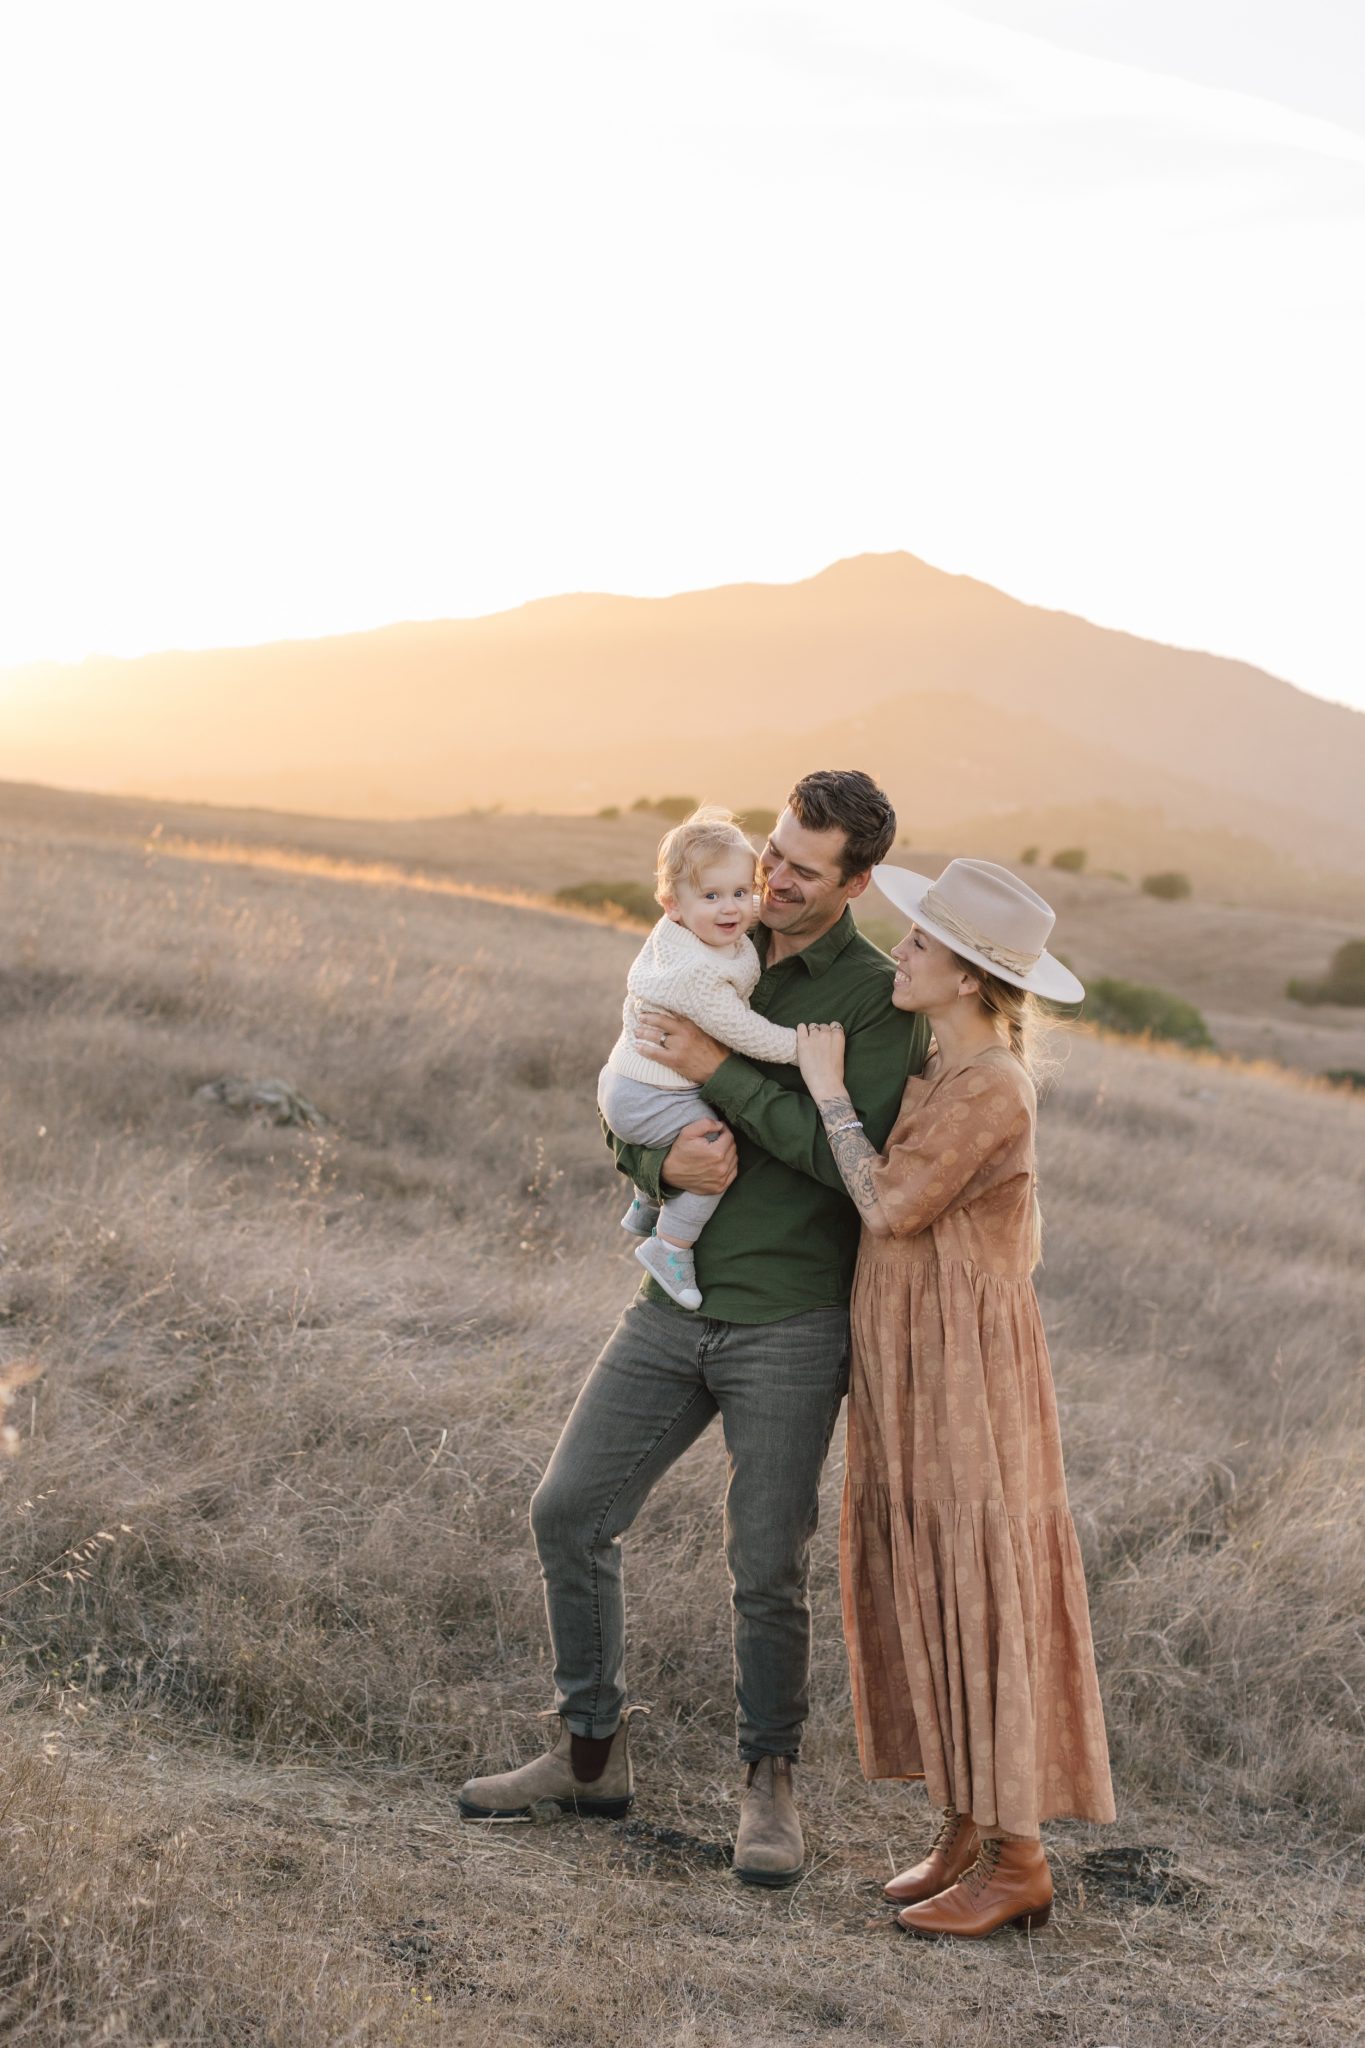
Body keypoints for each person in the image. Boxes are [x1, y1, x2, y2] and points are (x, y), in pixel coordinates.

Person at [459, 770, 930, 1887]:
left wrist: (720, 1067)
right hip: (673, 1303)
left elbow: (841, 1158)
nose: (770, 880)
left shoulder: (870, 995)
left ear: (856, 882)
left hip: (791, 1323)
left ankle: (769, 1782)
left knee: (766, 1562)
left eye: (802, 870)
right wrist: (652, 1158)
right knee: (570, 1510)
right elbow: (634, 1082)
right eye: (772, 851)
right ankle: (589, 1754)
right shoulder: (713, 935)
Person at [792, 857, 1115, 1939]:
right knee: (929, 1568)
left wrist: (828, 1091)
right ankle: (965, 1823)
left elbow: (890, 1206)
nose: (902, 952)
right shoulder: (943, 1061)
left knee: (976, 1575)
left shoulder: (990, 1085)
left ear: (973, 978)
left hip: (962, 1370)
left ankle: (1019, 1858)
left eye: (921, 943)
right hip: (913, 1354)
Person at [597, 806, 800, 1314]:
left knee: (690, 1134)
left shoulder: (681, 932)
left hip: (625, 1076)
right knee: (712, 1154)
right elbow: (744, 1031)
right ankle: (671, 1246)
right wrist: (801, 1047)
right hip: (649, 1093)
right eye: (711, 896)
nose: (731, 909)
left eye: (740, 892)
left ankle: (645, 1205)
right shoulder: (699, 976)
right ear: (672, 905)